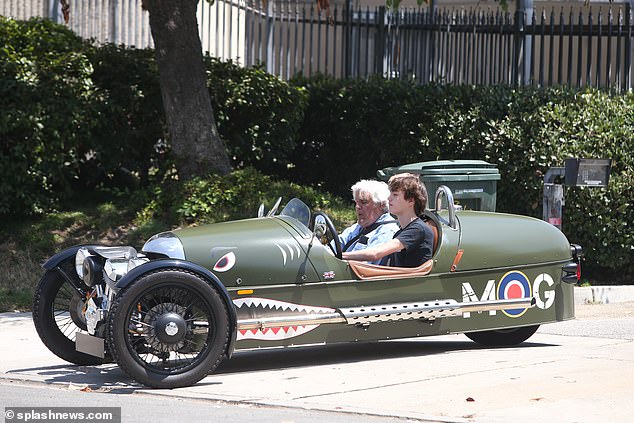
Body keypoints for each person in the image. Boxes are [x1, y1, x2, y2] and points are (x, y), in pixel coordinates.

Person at [342, 173, 434, 267]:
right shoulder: (401, 232)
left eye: (395, 194)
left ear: (411, 201)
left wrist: (340, 256)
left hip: (411, 281)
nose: (389, 198)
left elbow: (375, 254)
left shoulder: (418, 229)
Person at [336, 180, 399, 265]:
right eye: (356, 202)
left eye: (364, 202)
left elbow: (366, 267)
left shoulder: (386, 231)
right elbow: (334, 246)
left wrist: (339, 257)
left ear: (382, 205)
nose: (357, 207)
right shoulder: (358, 227)